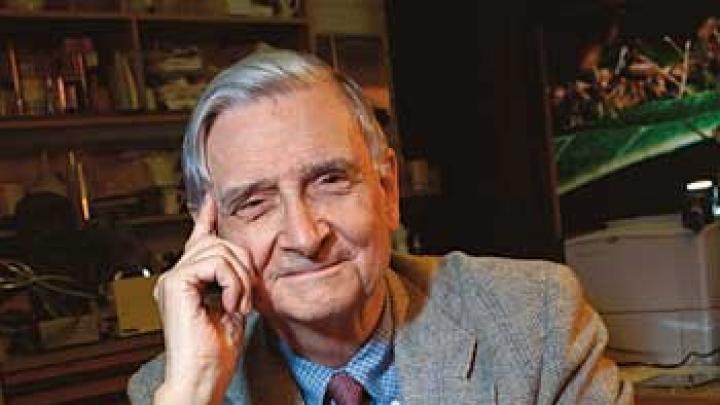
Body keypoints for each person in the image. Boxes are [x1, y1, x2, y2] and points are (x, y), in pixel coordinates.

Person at [128, 48, 633, 404]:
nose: (305, 237)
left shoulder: (536, 320)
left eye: (329, 180)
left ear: (388, 193)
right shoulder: (175, 389)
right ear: (212, 235)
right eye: (255, 203)